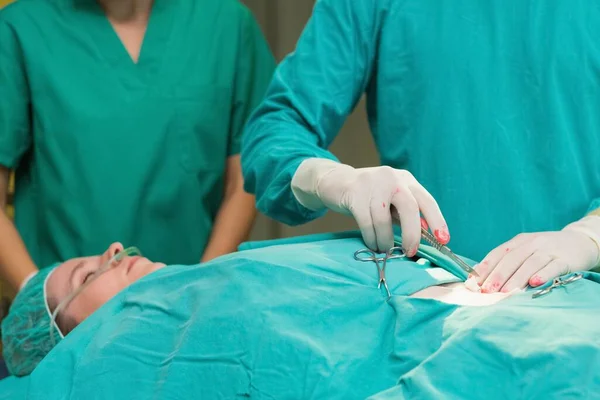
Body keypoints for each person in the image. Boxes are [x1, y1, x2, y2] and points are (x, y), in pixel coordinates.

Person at [240, 0, 600, 295]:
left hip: (580, 314)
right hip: (433, 307)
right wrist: (329, 179)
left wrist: (589, 237)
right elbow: (274, 129)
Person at [2, 233, 600, 399]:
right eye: (85, 276)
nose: (114, 250)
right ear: (64, 341)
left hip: (556, 303)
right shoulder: (126, 360)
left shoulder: (227, 273)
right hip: (527, 354)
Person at [0, 0, 275, 291]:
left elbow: (245, 179)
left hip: (188, 299)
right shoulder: (20, 29)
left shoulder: (226, 24)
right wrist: (44, 305)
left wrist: (199, 292)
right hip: (69, 317)